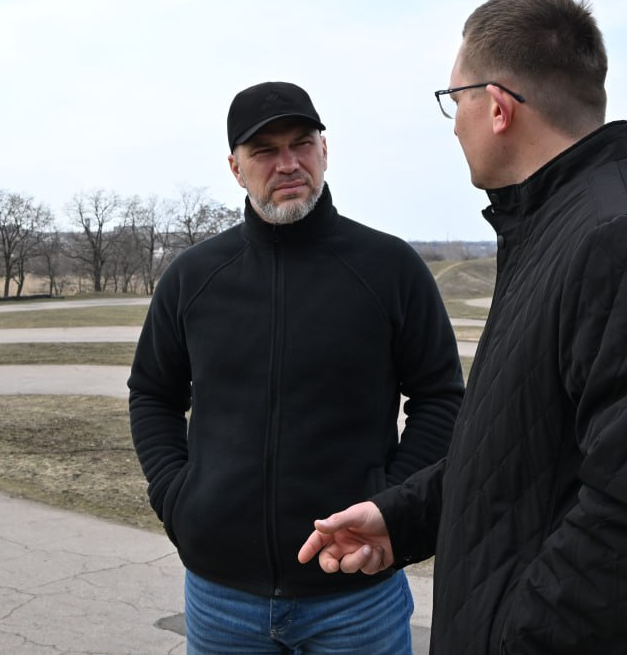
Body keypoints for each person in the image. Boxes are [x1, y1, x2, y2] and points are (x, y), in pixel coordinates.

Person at [298, 0, 627, 654]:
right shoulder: (555, 226)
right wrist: (400, 517)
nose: (453, 124)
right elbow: (521, 453)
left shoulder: (622, 236)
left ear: (496, 106)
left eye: (455, 101)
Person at [128, 81, 465, 654]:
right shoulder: (193, 278)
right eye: (264, 150)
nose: (288, 163)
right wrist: (178, 496)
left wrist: (391, 503)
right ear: (235, 168)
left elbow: (441, 398)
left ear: (324, 151)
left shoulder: (390, 268)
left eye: (301, 143)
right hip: (221, 598)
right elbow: (152, 394)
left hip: (356, 596)